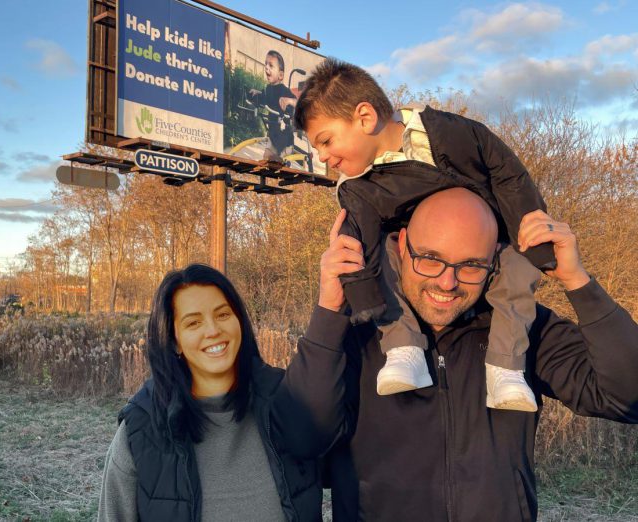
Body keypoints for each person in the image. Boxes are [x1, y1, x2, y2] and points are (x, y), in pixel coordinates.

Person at [277, 188, 638, 521]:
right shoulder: (356, 331)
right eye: (430, 259)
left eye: (470, 265)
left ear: (495, 259)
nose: (447, 283)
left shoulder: (523, 328)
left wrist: (579, 282)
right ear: (401, 244)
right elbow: (299, 439)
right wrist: (328, 311)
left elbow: (627, 397)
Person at [293, 58, 553, 411]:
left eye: (325, 141)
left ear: (365, 117)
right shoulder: (355, 189)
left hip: (491, 244)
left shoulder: (447, 134)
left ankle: (505, 370)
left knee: (519, 271)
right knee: (383, 252)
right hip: (418, 262)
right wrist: (365, 298)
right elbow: (358, 246)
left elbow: (507, 172)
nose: (324, 157)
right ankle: (403, 350)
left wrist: (533, 229)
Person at [97, 264, 322, 521]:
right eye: (193, 322)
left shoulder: (287, 402)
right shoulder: (141, 430)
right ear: (174, 341)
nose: (213, 330)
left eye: (223, 314)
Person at [251, 50, 297, 161]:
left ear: (281, 75)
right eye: (266, 64)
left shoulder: (283, 90)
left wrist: (289, 101)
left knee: (276, 161)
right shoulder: (267, 89)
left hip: (284, 139)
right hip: (273, 136)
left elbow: (298, 102)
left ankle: (286, 153)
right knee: (266, 159)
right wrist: (257, 94)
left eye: (271, 65)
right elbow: (264, 98)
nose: (266, 67)